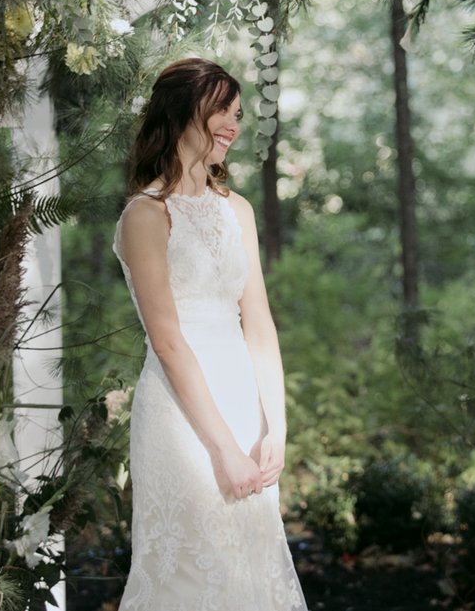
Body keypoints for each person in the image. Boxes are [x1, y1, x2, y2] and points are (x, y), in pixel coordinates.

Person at [110, 58, 303, 608]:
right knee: (189, 575)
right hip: (181, 416)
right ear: (180, 111)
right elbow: (168, 342)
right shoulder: (144, 215)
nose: (233, 124)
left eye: (238, 113)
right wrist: (222, 449)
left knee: (249, 570)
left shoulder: (237, 210)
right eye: (221, 108)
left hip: (244, 403)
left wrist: (276, 429)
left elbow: (259, 324)